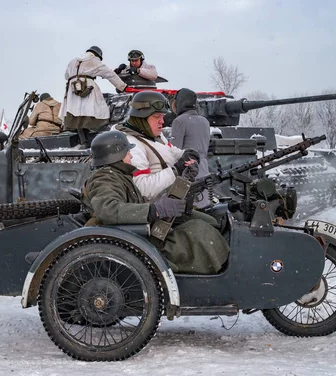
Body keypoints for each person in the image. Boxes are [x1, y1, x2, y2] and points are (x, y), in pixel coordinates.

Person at [82, 130, 229, 274]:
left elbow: (138, 202)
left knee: (202, 224)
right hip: (134, 242)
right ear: (116, 156)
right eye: (127, 153)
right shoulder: (104, 179)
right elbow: (108, 210)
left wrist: (182, 182)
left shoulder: (118, 176)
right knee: (197, 235)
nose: (131, 155)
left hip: (138, 235)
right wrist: (155, 210)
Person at [115, 90, 200, 200]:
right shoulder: (132, 145)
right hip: (153, 210)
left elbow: (169, 149)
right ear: (141, 118)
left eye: (162, 116)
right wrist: (176, 170)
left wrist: (186, 155)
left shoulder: (152, 134)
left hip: (171, 200)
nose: (162, 121)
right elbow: (141, 189)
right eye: (156, 116)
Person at [59, 46, 127, 144]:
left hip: (72, 90)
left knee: (76, 114)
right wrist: (123, 87)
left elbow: (66, 76)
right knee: (97, 110)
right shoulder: (94, 60)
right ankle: (96, 138)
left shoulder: (73, 61)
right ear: (98, 55)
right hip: (87, 87)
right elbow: (109, 73)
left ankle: (84, 141)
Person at [170, 88, 211, 208]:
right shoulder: (205, 121)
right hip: (203, 169)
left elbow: (174, 150)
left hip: (187, 172)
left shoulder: (179, 121)